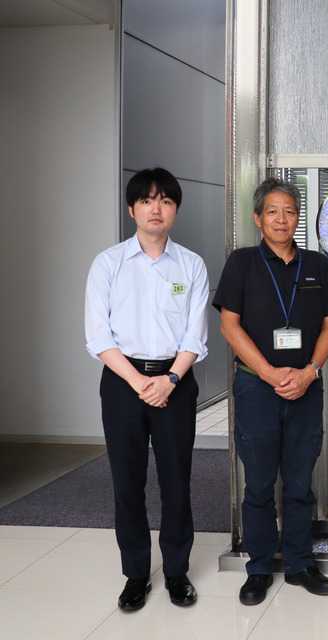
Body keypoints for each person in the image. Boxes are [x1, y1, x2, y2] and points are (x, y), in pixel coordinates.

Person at [213, 177, 328, 605]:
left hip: (306, 388)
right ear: (258, 218)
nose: (281, 219)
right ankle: (258, 567)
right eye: (272, 211)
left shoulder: (317, 265)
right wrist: (270, 373)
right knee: (258, 482)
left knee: (300, 481)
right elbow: (229, 326)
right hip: (257, 388)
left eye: (289, 211)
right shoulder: (242, 263)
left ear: (297, 218)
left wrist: (309, 372)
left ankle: (300, 563)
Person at [84, 168, 208, 611]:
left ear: (175, 210)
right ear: (132, 209)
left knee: (177, 480)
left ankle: (176, 572)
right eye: (147, 200)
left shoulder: (191, 265)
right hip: (123, 383)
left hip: (176, 381)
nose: (157, 209)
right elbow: (98, 336)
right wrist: (139, 382)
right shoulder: (108, 263)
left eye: (166, 201)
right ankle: (135, 574)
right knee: (127, 480)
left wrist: (170, 379)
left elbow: (195, 335)